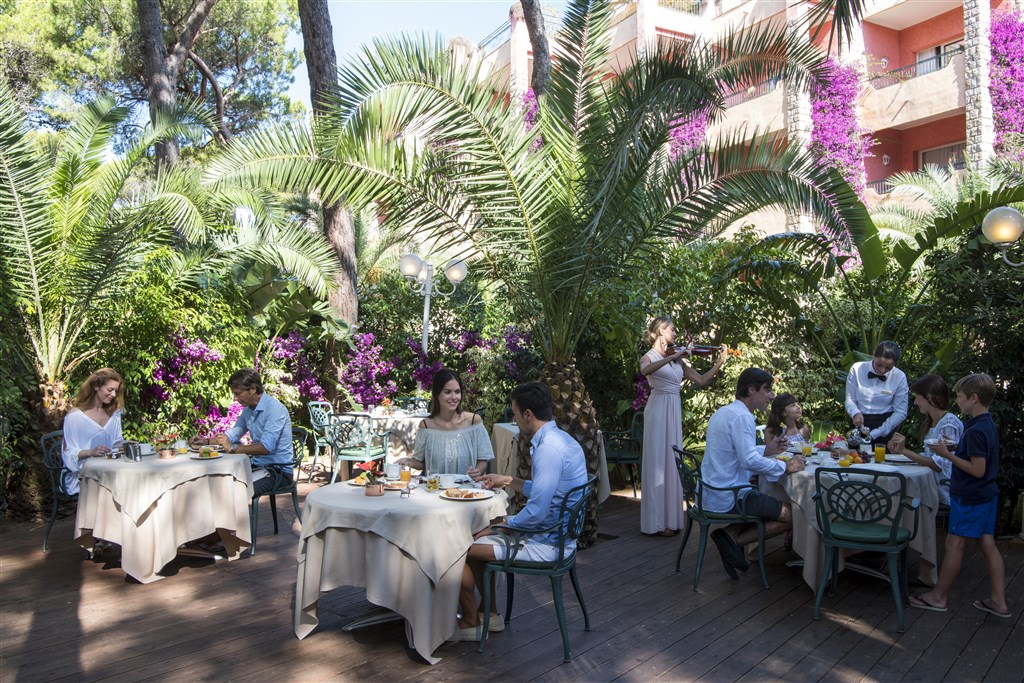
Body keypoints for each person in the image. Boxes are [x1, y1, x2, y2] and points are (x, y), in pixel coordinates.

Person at [450, 382, 588, 641]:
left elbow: (536, 512)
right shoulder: (561, 439)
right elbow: (549, 491)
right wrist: (507, 480)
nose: (513, 419)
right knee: (476, 538)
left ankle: (470, 621)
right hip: (560, 537)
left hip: (546, 543)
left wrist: (499, 525)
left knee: (457, 547)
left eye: (514, 413)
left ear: (528, 415)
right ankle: (489, 615)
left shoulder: (547, 449)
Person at [909, 373, 1010, 618]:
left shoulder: (975, 430)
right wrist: (955, 449)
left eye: (960, 396)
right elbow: (978, 457)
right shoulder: (985, 424)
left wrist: (946, 454)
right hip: (987, 494)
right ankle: (999, 601)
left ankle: (938, 596)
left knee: (954, 544)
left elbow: (977, 469)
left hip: (970, 496)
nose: (956, 400)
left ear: (974, 398)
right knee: (987, 544)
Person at [702, 368, 805, 579]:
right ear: (751, 390)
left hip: (713, 489)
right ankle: (731, 541)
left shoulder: (725, 412)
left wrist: (767, 450)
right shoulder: (743, 418)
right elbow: (748, 461)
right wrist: (785, 467)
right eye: (767, 390)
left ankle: (730, 537)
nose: (771, 396)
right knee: (795, 514)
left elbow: (739, 453)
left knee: (768, 503)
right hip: (731, 494)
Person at [639, 316, 727, 536]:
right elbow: (645, 371)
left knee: (671, 461)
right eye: (672, 330)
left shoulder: (676, 360)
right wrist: (676, 355)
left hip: (673, 407)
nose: (675, 334)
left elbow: (702, 380)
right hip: (658, 408)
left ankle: (671, 520)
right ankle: (657, 522)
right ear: (660, 331)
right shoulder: (650, 356)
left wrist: (719, 363)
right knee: (658, 460)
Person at [189, 368, 293, 496]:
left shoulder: (275, 410)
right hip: (258, 467)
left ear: (253, 389)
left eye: (238, 394)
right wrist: (206, 441)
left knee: (235, 491)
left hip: (278, 472)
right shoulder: (249, 410)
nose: (235, 398)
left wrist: (232, 448)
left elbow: (265, 447)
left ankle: (236, 516)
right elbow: (233, 435)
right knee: (217, 482)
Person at [397, 369, 494, 477]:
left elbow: (483, 459)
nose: (454, 397)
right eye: (448, 392)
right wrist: (406, 461)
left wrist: (477, 471)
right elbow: (422, 463)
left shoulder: (473, 422)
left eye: (457, 392)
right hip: (435, 489)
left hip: (467, 490)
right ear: (437, 394)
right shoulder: (426, 426)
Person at [887, 374, 964, 506]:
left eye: (917, 397)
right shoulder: (934, 420)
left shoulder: (948, 423)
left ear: (929, 397)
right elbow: (930, 456)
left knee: (896, 492)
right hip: (930, 481)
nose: (915, 402)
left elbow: (941, 465)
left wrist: (905, 451)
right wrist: (899, 452)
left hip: (942, 487)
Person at [62, 368, 125, 496]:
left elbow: (118, 442)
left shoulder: (114, 414)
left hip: (110, 471)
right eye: (109, 390)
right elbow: (68, 454)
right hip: (83, 476)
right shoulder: (75, 417)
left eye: (116, 391)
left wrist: (124, 446)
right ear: (96, 386)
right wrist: (91, 452)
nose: (113, 395)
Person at [844, 340, 909, 445]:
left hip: (886, 427)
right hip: (859, 425)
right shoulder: (856, 369)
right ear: (874, 355)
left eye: (888, 367)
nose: (882, 370)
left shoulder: (899, 376)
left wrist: (876, 432)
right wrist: (855, 413)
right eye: (879, 365)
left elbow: (901, 412)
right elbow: (850, 399)